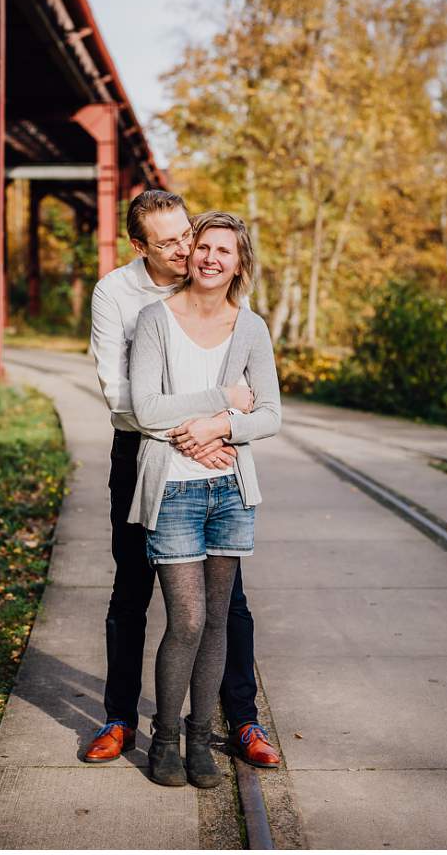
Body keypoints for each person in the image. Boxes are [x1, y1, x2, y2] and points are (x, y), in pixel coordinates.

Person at [86, 191, 280, 771]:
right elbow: (127, 399)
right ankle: (123, 718)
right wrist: (203, 420)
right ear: (140, 246)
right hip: (146, 456)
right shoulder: (120, 296)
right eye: (169, 242)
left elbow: (264, 406)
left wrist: (221, 427)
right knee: (135, 590)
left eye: (186, 236)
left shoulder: (228, 302)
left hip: (219, 465)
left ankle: (238, 718)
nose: (184, 250)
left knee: (228, 604)